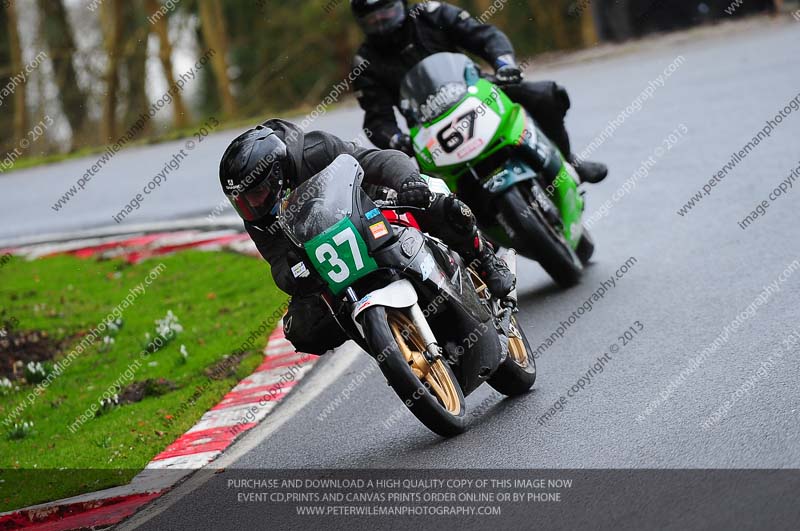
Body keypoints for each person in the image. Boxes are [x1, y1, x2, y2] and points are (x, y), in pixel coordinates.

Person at [219, 119, 514, 355]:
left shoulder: (315, 149)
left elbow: (376, 160)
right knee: (301, 329)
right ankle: (382, 337)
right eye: (241, 200)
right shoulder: (258, 219)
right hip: (330, 259)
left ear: (276, 174)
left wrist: (407, 180)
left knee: (440, 204)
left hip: (372, 207)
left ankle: (486, 259)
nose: (251, 204)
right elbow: (278, 264)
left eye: (255, 193)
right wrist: (296, 274)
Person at [350, 0, 608, 184]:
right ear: (362, 24)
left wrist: (504, 63)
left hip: (477, 92)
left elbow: (485, 36)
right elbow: (376, 118)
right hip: (428, 130)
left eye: (387, 13)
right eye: (373, 21)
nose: (381, 23)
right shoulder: (365, 62)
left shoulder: (433, 14)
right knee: (431, 200)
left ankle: (568, 161)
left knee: (546, 95)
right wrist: (396, 139)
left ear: (402, 5)